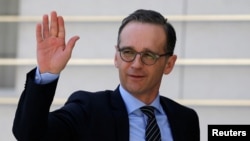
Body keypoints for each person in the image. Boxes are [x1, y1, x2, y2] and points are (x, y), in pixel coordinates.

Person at [12, 9, 200, 141]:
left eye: (149, 55)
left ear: (169, 64)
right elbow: (29, 135)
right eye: (128, 52)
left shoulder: (185, 119)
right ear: (116, 57)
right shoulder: (88, 110)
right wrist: (46, 75)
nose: (136, 64)